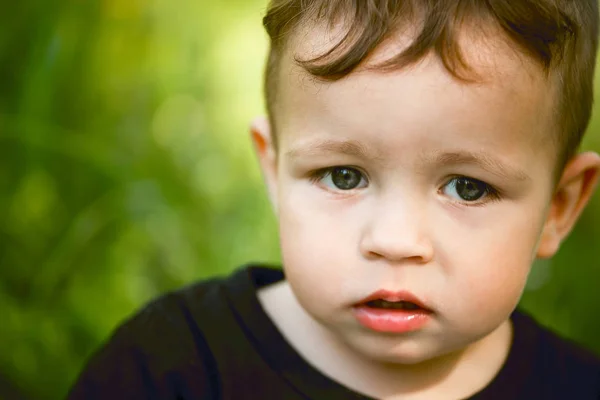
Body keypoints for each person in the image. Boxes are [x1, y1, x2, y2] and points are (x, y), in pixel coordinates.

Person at [67, 1, 600, 399]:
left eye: (468, 187)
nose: (394, 241)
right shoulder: (169, 370)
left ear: (558, 208)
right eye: (344, 176)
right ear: (275, 172)